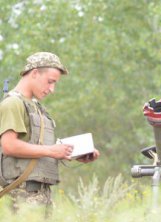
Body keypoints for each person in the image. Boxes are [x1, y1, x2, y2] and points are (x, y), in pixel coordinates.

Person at [0, 52, 100, 213]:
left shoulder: (37, 107)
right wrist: (52, 151)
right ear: (34, 73)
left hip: (40, 196)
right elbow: (9, 146)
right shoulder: (13, 103)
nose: (52, 89)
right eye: (50, 82)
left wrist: (72, 153)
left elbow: (38, 149)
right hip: (19, 197)